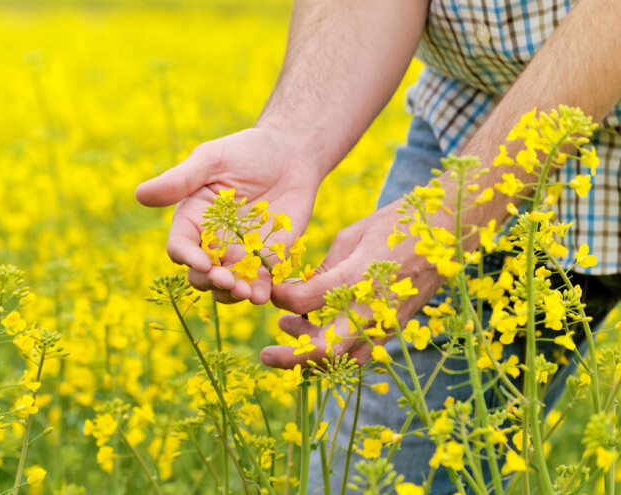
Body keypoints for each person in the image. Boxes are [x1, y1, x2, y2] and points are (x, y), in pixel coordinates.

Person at [136, 0, 621, 491]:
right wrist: (293, 138)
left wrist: (444, 222)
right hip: (477, 120)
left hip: (494, 159)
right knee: (369, 482)